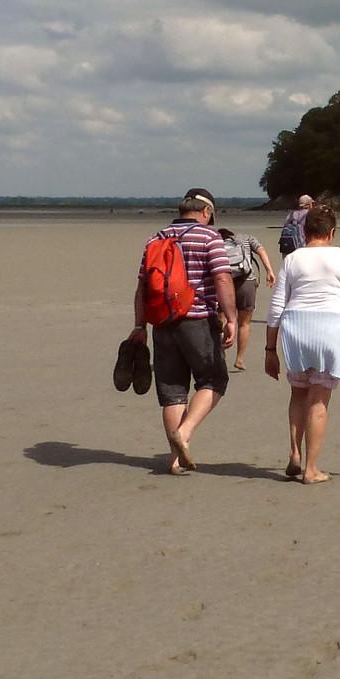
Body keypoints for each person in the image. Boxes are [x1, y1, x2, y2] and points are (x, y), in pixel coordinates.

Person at [129, 188, 235, 475]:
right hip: (198, 320)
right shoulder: (209, 237)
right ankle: (184, 432)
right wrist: (232, 317)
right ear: (206, 213)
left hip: (162, 323)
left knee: (173, 391)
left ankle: (173, 461)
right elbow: (223, 278)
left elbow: (141, 288)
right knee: (214, 379)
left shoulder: (156, 238)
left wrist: (140, 325)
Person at [263, 205, 340, 483]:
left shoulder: (292, 259)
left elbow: (277, 306)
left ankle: (294, 454)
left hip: (296, 328)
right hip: (331, 329)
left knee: (299, 392)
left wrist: (270, 349)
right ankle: (311, 469)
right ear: (331, 232)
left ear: (304, 230)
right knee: (319, 398)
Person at [217, 225, 274, 371]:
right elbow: (261, 251)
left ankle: (219, 355)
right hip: (246, 281)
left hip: (223, 281)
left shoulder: (215, 242)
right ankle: (240, 359)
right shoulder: (245, 238)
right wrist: (269, 270)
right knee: (244, 323)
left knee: (221, 320)